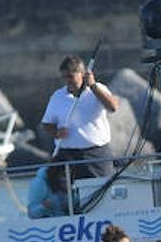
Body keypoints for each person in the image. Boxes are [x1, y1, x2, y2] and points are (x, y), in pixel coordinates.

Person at [40, 55, 123, 194]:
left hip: (96, 153)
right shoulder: (57, 96)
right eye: (64, 77)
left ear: (82, 74)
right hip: (67, 154)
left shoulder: (98, 90)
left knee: (103, 190)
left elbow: (113, 107)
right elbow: (47, 124)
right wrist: (56, 132)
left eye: (70, 76)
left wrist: (93, 86)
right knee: (56, 184)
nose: (67, 81)